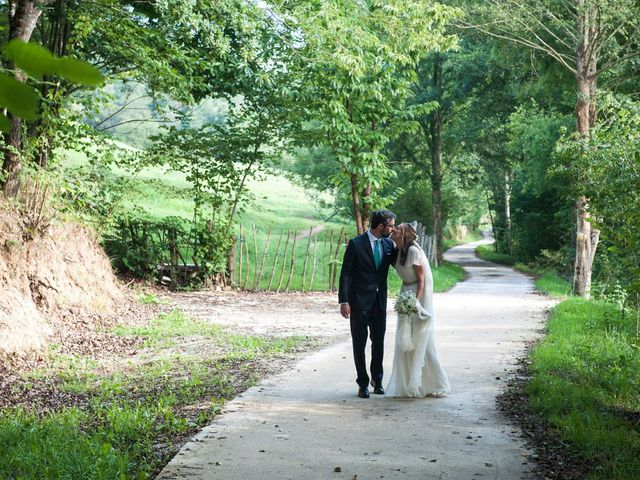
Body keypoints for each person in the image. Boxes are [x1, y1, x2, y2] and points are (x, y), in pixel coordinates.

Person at [386, 222, 450, 398]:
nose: (393, 230)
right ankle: (406, 382)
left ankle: (433, 382)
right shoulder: (398, 251)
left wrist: (415, 302)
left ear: (405, 234)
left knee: (419, 337)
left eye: (397, 229)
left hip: (416, 294)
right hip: (405, 291)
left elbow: (421, 280)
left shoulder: (413, 251)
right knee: (404, 336)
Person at [339, 209, 397, 398]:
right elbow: (346, 273)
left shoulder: (389, 244)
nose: (392, 229)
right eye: (391, 225)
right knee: (359, 342)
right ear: (380, 226)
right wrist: (344, 301)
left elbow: (402, 264)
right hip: (358, 302)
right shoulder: (356, 244)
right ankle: (362, 383)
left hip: (379, 302)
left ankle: (377, 381)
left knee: (378, 342)